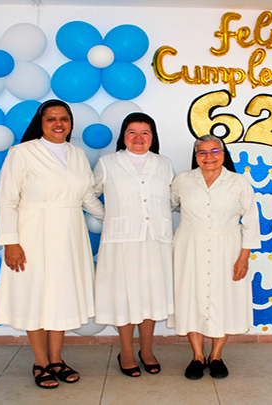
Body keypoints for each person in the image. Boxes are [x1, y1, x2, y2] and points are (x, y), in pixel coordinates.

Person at [0, 99, 104, 389]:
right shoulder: (22, 153)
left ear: (70, 123)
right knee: (36, 296)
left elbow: (86, 197)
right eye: (51, 119)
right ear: (40, 124)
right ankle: (40, 362)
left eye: (64, 119)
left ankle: (57, 359)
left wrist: (114, 219)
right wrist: (10, 242)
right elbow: (6, 200)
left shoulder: (77, 154)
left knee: (62, 296)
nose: (59, 124)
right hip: (33, 234)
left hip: (70, 235)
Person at [170, 134, 261, 380]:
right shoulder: (182, 181)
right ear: (195, 156)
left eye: (214, 151)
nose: (208, 157)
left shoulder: (238, 182)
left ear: (223, 154)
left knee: (225, 299)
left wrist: (244, 257)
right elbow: (170, 206)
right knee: (192, 298)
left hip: (228, 246)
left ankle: (216, 356)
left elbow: (251, 220)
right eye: (202, 152)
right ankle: (197, 357)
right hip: (190, 246)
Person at [93, 112, 175, 377]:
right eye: (132, 132)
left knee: (152, 294)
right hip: (121, 242)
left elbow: (173, 197)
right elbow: (87, 194)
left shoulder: (164, 164)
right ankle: (126, 352)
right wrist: (109, 216)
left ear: (153, 137)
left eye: (145, 133)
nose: (138, 138)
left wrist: (160, 214)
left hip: (156, 240)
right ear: (123, 136)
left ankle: (147, 350)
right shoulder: (107, 163)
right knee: (124, 296)